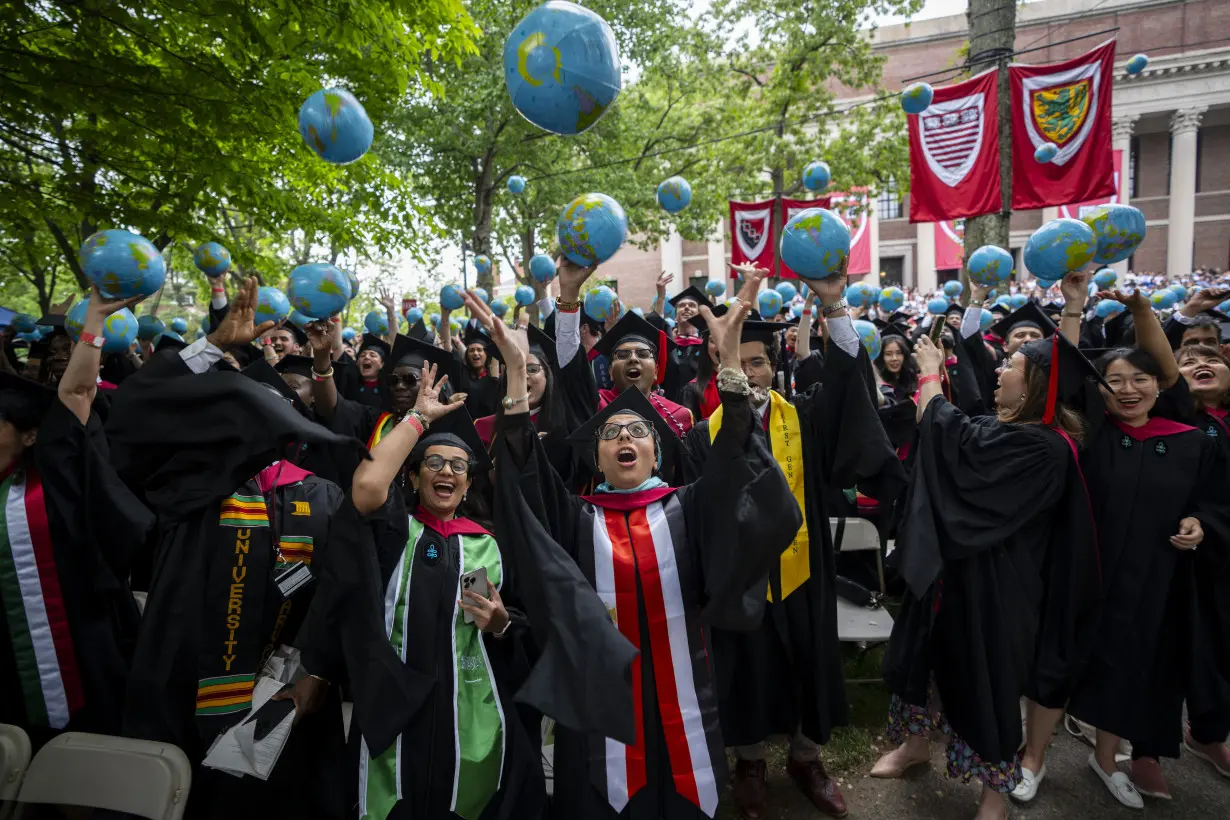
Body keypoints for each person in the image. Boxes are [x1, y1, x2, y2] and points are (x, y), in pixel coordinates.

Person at [473, 279, 803, 820]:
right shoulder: (576, 516)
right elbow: (522, 476)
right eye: (611, 432)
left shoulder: (690, 506)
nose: (624, 435)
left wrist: (730, 368)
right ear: (597, 457)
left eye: (638, 430)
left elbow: (737, 462)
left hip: (687, 691)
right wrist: (514, 373)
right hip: (599, 696)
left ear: (657, 451)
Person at [110, 278, 362, 819]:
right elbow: (129, 415)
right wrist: (213, 346)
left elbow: (342, 593)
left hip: (284, 700)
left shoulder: (321, 495)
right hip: (185, 687)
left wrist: (317, 672)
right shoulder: (188, 485)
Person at [682, 272, 905, 820]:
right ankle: (751, 763)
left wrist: (833, 306)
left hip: (804, 573)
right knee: (748, 674)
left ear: (774, 363)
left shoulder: (803, 414)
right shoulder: (700, 433)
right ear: (720, 365)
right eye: (740, 361)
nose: (752, 373)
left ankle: (807, 759)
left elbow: (852, 387)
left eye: (759, 362)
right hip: (742, 581)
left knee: (810, 668)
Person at [873, 325, 1103, 820]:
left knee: (987, 680)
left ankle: (993, 795)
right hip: (948, 572)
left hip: (998, 589)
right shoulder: (1013, 429)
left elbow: (958, 442)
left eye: (1011, 367)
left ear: (1037, 386)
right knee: (921, 658)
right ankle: (915, 746)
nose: (999, 370)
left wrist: (932, 375)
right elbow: (960, 432)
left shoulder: (1047, 447)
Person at [1015, 280, 1230, 807]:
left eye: (1140, 379)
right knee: (1059, 664)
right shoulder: (1090, 433)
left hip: (1152, 574)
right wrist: (1073, 305)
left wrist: (1199, 523)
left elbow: (1211, 501)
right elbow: (1063, 370)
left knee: (1129, 666)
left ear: (1161, 385)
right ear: (1100, 389)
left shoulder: (1185, 440)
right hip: (1082, 570)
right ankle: (1032, 759)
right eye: (1115, 381)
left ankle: (1106, 758)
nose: (1129, 390)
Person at [343, 362, 545, 820]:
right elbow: (368, 486)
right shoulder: (393, 532)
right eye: (433, 463)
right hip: (395, 705)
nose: (446, 471)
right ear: (413, 478)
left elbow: (519, 627)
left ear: (469, 483)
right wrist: (418, 421)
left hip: (471, 709)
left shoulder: (487, 544)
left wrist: (501, 624)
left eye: (458, 466)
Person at [0, 287, 154, 749]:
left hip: (79, 648)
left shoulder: (54, 484)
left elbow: (77, 393)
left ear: (30, 436)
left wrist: (93, 328)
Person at [1175, 343, 1230, 779]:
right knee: (1204, 645)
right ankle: (1205, 733)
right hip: (1197, 549)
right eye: (1189, 361)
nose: (1202, 365)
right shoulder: (1178, 423)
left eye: (1213, 359)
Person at [354, 333, 393, 410]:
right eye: (362, 355)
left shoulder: (388, 389)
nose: (366, 357)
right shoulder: (350, 385)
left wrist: (392, 320)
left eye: (373, 355)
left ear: (381, 364)